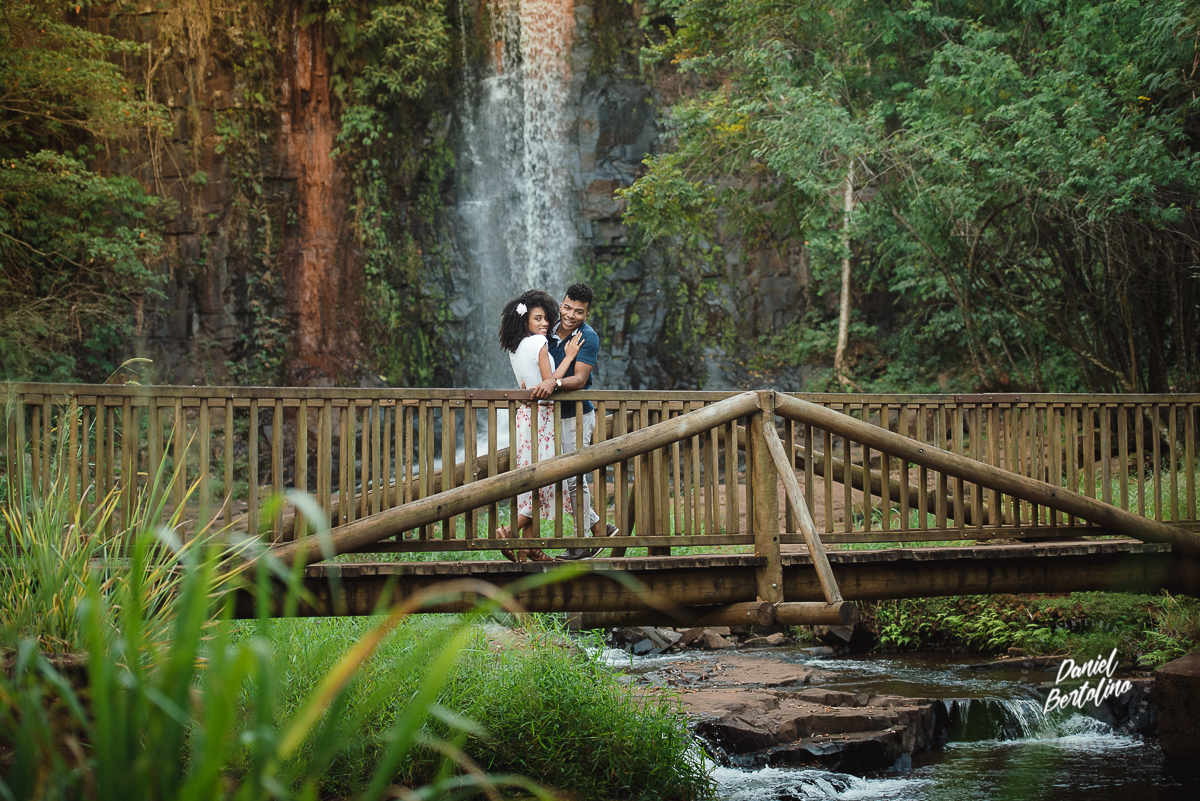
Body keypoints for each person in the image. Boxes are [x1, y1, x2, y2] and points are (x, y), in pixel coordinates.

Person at [530, 282, 619, 560]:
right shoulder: (547, 328)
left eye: (579, 312)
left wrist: (552, 382)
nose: (571, 315)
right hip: (550, 417)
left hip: (577, 415)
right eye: (567, 307)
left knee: (573, 476)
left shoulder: (587, 336)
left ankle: (581, 543)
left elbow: (580, 379)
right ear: (561, 304)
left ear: (586, 314)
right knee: (565, 477)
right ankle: (600, 527)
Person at [497, 289, 584, 562]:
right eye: (538, 319)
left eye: (546, 318)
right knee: (543, 480)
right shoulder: (538, 343)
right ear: (526, 323)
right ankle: (507, 532)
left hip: (524, 417)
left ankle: (529, 547)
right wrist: (569, 356)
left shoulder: (514, 348)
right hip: (542, 417)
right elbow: (549, 383)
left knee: (532, 481)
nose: (545, 324)